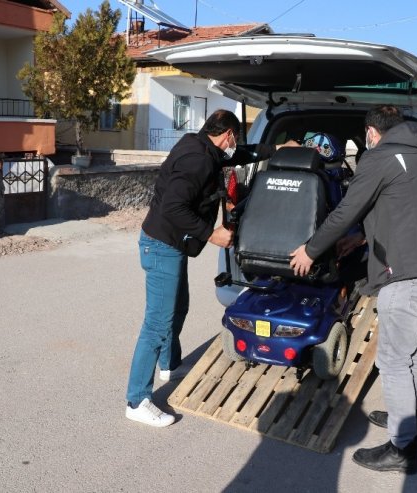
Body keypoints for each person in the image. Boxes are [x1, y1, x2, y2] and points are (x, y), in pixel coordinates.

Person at [290, 105, 417, 473]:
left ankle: (402, 449)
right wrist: (361, 239)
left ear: (371, 131)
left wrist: (310, 249)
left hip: (411, 279)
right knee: (413, 351)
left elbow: (346, 211)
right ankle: (409, 417)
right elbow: (404, 210)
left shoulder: (380, 156)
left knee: (393, 360)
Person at [125, 109, 298, 427]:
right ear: (228, 135)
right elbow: (173, 206)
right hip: (162, 246)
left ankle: (170, 365)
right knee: (156, 323)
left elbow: (240, 156)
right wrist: (212, 233)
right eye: (236, 139)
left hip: (169, 245)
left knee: (178, 308)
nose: (236, 145)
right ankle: (137, 400)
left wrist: (277, 149)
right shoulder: (199, 160)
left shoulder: (203, 147)